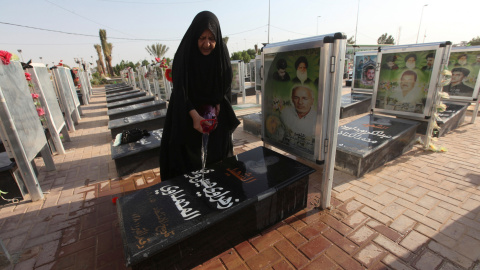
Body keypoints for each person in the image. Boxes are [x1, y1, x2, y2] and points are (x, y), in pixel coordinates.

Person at [159, 11, 240, 180]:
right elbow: (180, 88)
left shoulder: (220, 54)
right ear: (195, 36)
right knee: (188, 164)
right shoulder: (185, 54)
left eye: (211, 39)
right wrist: (195, 116)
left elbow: (225, 83)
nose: (207, 44)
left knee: (217, 160)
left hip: (214, 116)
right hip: (187, 112)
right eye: (202, 38)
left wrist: (218, 104)